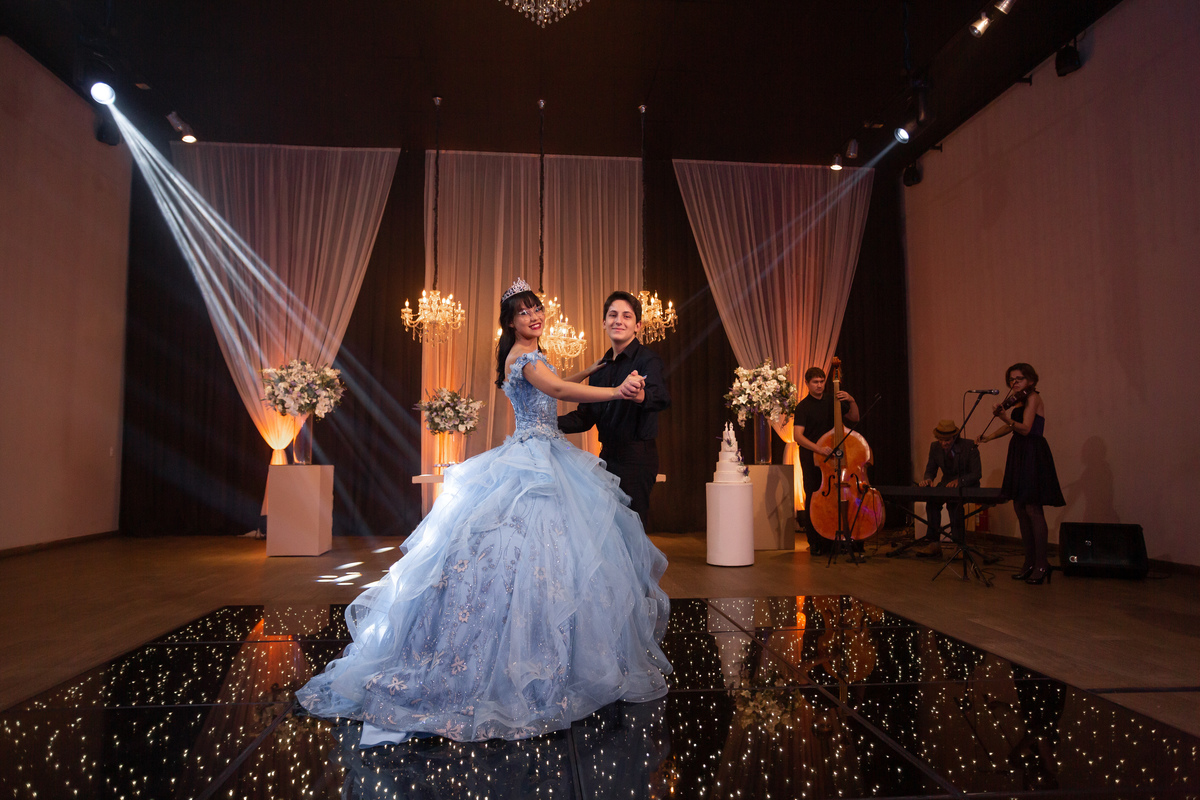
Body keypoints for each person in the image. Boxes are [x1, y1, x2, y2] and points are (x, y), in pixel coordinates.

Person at [297, 278, 672, 744]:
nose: (534, 317)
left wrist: (590, 372)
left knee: (558, 553)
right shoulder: (525, 359)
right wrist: (615, 391)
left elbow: (557, 384)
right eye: (524, 312)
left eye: (537, 309)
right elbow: (556, 388)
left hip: (542, 453)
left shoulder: (528, 356)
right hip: (536, 459)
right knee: (536, 553)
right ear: (511, 323)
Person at [557, 291, 671, 529]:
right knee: (610, 530)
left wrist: (639, 395)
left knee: (632, 530)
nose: (619, 321)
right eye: (613, 315)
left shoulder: (647, 360)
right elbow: (585, 417)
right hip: (607, 457)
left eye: (626, 316)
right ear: (604, 322)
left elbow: (661, 398)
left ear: (638, 326)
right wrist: (547, 422)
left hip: (637, 459)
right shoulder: (601, 367)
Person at [976, 362, 1065, 584]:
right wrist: (989, 437)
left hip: (1033, 451)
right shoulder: (1019, 400)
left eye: (1019, 379)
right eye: (1011, 379)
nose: (1014, 382)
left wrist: (1004, 417)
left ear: (1031, 380)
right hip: (1019, 451)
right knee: (1019, 506)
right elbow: (1011, 427)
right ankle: (1029, 562)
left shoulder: (1033, 398)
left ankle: (1042, 564)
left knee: (1033, 507)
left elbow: (1025, 428)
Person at [792, 366, 860, 556]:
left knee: (835, 497)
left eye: (822, 381)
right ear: (807, 383)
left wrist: (852, 400)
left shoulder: (833, 401)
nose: (819, 385)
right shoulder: (803, 407)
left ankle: (834, 538)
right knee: (814, 496)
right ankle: (814, 542)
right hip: (812, 457)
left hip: (834, 456)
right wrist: (819, 448)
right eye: (815, 382)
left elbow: (855, 417)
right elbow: (798, 436)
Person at [914, 419, 982, 557]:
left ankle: (959, 545)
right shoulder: (935, 447)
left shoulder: (969, 446)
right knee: (932, 501)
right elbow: (930, 470)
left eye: (947, 440)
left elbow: (976, 474)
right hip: (946, 484)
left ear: (955, 437)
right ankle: (934, 544)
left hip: (966, 484)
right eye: (940, 439)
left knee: (954, 504)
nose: (943, 443)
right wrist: (928, 479)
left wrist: (959, 481)